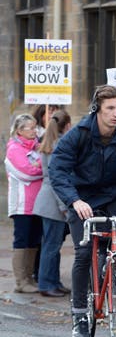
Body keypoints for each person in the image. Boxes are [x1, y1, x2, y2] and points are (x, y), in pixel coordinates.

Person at [49, 85, 116, 337]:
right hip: (82, 197)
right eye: (110, 109)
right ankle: (80, 315)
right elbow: (57, 169)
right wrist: (74, 200)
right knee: (83, 253)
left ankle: (111, 262)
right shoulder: (79, 134)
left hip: (113, 195)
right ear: (98, 110)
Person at [32, 110, 72, 297]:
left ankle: (52, 282)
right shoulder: (59, 145)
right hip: (53, 204)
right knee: (51, 246)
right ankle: (47, 284)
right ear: (67, 125)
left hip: (47, 201)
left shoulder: (50, 143)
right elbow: (57, 180)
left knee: (51, 245)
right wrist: (64, 207)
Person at [5, 113, 44, 294]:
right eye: (31, 128)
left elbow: (40, 166)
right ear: (20, 130)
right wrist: (40, 168)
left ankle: (30, 277)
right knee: (22, 240)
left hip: (37, 203)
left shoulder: (36, 147)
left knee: (34, 240)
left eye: (35, 127)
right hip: (21, 204)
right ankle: (20, 281)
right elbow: (26, 173)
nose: (35, 130)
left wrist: (39, 167)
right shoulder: (14, 149)